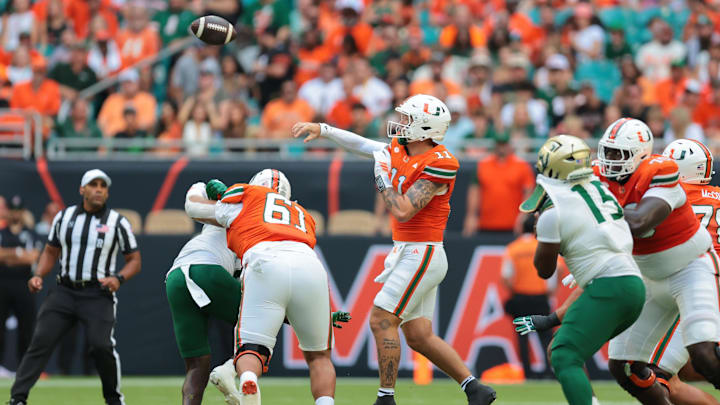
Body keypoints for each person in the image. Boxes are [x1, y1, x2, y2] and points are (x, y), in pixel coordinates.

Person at [292, 93, 497, 405]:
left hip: (423, 252)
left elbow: (403, 210)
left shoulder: (441, 162)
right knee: (418, 335)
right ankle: (475, 389)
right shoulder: (401, 149)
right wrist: (324, 129)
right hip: (411, 251)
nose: (401, 124)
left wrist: (382, 180)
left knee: (381, 319)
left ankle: (385, 398)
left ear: (425, 128)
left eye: (408, 119)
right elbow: (364, 146)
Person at [171, 182, 350, 405]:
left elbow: (194, 207)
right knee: (319, 356)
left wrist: (200, 187)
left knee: (242, 349)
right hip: (308, 264)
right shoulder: (304, 215)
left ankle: (244, 375)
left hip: (187, 273)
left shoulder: (246, 201)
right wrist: (316, 317)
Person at [594, 118, 720, 404]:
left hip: (696, 273)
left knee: (687, 363)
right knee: (644, 368)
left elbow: (636, 224)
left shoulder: (662, 184)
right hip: (671, 277)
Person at [515, 135, 646, 405]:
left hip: (609, 286)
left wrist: (545, 235)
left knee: (564, 355)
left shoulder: (553, 213)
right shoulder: (600, 188)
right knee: (559, 350)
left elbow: (544, 270)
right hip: (632, 284)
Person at [7, 169, 142, 405]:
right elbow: (50, 251)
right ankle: (17, 398)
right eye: (93, 184)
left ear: (107, 192)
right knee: (40, 342)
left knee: (101, 346)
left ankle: (113, 399)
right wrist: (39, 274)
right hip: (65, 291)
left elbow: (135, 260)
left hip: (98, 293)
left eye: (103, 186)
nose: (99, 189)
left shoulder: (117, 222)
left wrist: (118, 278)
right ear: (82, 189)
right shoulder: (64, 217)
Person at [502, 214, 554, 379]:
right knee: (545, 338)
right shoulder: (541, 246)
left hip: (520, 297)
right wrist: (550, 290)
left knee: (522, 338)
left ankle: (527, 373)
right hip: (540, 297)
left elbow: (505, 276)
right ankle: (549, 372)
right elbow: (556, 269)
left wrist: (515, 289)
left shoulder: (513, 248)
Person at [0, 196, 42, 376]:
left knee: (27, 327)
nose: (15, 213)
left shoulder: (31, 234)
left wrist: (10, 256)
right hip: (3, 283)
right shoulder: (2, 233)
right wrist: (19, 253)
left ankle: (25, 367)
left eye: (19, 210)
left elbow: (32, 257)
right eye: (13, 210)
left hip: (24, 284)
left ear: (23, 212)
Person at [463, 134, 535, 235]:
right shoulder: (482, 165)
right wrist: (471, 216)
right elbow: (474, 192)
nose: (502, 148)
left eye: (504, 144)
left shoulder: (522, 166)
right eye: (499, 145)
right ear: (495, 146)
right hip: (486, 224)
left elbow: (528, 191)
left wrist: (523, 217)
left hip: (512, 225)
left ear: (509, 146)